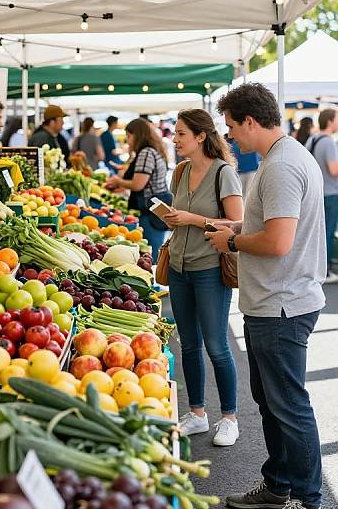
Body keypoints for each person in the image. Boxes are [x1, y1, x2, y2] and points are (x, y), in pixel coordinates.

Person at [206, 83, 325, 509]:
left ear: (251, 121)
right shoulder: (285, 156)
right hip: (277, 301)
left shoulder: (280, 166)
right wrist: (237, 229)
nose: (232, 137)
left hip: (281, 304)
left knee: (289, 408)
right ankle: (278, 486)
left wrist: (233, 244)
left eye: (234, 128)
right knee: (274, 405)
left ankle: (309, 499)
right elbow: (273, 225)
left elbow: (278, 243)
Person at [164, 109, 243, 446]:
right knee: (189, 344)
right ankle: (197, 413)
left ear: (200, 136)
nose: (175, 139)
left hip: (210, 268)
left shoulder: (223, 173)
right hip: (179, 268)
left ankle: (230, 418)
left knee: (216, 345)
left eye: (181, 133)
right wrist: (172, 219)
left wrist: (192, 219)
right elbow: (178, 215)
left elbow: (237, 223)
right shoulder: (180, 172)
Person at [104, 118, 170, 262]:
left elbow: (138, 184)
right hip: (157, 207)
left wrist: (118, 181)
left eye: (129, 136)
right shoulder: (153, 150)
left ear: (137, 135)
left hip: (151, 210)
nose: (128, 140)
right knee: (154, 250)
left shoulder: (146, 152)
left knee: (150, 253)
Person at [305, 108, 338, 283]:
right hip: (331, 193)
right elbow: (333, 170)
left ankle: (318, 268)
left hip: (317, 193)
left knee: (318, 232)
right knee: (328, 232)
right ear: (330, 121)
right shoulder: (328, 142)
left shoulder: (313, 138)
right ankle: (325, 271)